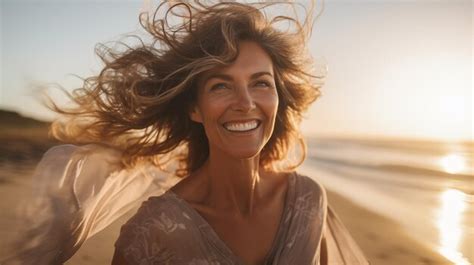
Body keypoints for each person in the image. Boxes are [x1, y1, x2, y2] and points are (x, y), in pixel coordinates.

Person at [2, 1, 369, 265]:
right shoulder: (153, 232)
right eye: (221, 86)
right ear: (195, 108)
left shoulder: (306, 200)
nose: (245, 103)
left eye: (260, 83)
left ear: (277, 97)